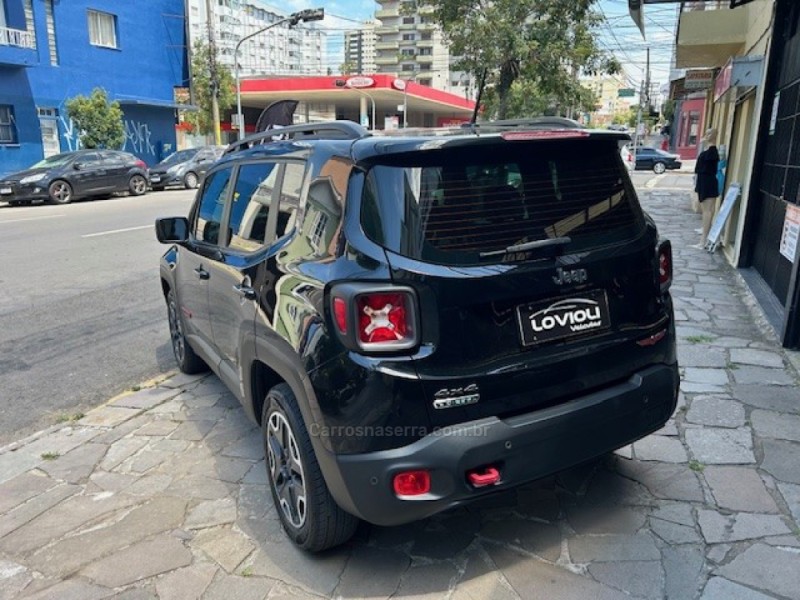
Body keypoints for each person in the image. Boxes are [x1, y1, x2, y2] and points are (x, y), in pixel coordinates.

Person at [694, 128, 720, 248]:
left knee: (707, 212)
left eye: (710, 133)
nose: (707, 135)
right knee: (705, 211)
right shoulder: (707, 150)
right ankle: (704, 237)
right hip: (703, 182)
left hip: (708, 183)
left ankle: (703, 240)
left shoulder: (712, 151)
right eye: (707, 133)